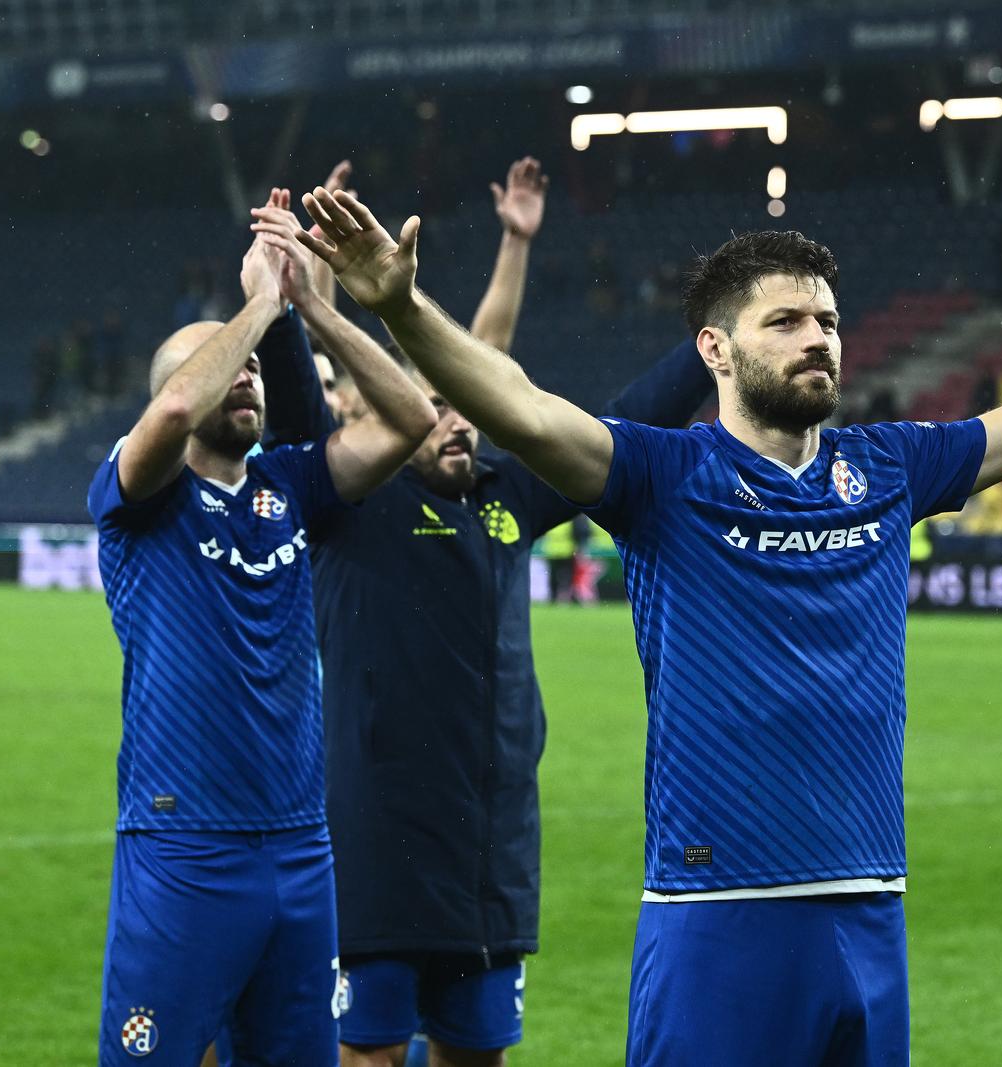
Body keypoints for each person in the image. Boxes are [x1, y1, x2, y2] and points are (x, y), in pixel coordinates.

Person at [284, 183, 1002, 1066]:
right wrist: (402, 305)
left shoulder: (890, 465)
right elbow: (519, 407)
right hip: (718, 914)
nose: (817, 336)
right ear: (714, 350)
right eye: (785, 321)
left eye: (826, 317)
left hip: (870, 911)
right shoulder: (662, 474)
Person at [251, 166, 713, 1067]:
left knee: (478, 1055)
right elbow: (301, 417)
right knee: (373, 1053)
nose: (456, 424)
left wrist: (712, 348)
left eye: (468, 412)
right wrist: (292, 302)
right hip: (376, 835)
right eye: (436, 412)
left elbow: (622, 422)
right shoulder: (349, 499)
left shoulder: (508, 498)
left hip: (491, 843)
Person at [87, 224, 436, 1065]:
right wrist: (256, 305)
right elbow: (172, 407)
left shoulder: (288, 483)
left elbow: (411, 417)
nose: (246, 372)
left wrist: (311, 306)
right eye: (225, 364)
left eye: (251, 365)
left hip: (300, 845)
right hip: (184, 843)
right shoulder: (138, 495)